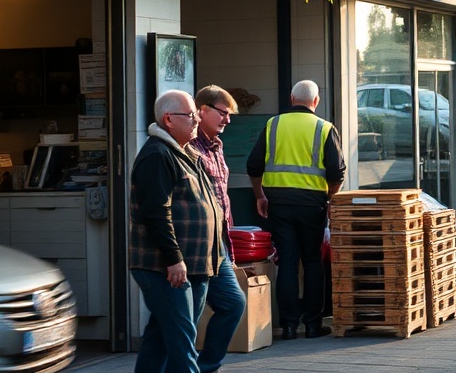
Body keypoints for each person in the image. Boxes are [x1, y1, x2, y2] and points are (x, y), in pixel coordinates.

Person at [130, 90, 224, 373]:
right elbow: (156, 212)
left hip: (194, 265)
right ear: (169, 119)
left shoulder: (183, 152)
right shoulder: (157, 155)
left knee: (161, 336)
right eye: (191, 115)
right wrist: (174, 259)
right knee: (183, 344)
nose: (197, 120)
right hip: (166, 267)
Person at [247, 80, 345, 340]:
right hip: (313, 204)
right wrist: (330, 198)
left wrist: (260, 196)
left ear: (291, 99)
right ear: (316, 101)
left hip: (278, 203)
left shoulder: (273, 124)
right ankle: (313, 325)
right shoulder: (325, 128)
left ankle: (289, 326)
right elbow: (337, 172)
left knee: (288, 262)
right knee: (313, 261)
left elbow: (254, 165)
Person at [191, 86, 246, 372]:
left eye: (229, 114)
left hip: (219, 245)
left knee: (233, 304)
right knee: (183, 318)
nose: (227, 120)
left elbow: (222, 198)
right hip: (197, 244)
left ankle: (206, 366)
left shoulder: (216, 145)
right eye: (223, 113)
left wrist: (229, 244)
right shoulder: (190, 147)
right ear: (202, 111)